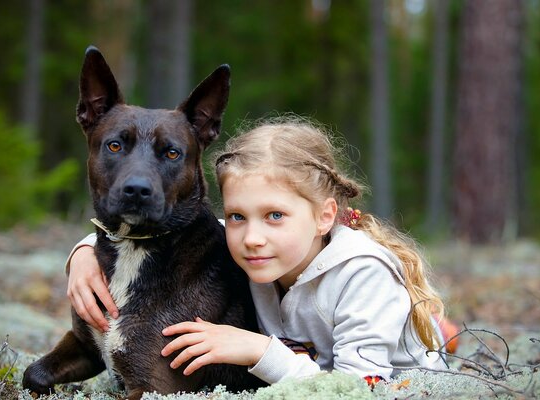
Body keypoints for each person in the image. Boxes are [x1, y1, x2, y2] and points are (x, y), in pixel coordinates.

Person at [67, 116, 447, 386]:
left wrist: (259, 350)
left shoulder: (362, 276)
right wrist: (83, 253)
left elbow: (361, 389)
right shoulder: (255, 249)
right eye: (236, 216)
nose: (252, 237)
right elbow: (170, 232)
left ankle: (432, 330)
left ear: (324, 217)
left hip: (399, 383)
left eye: (275, 215)